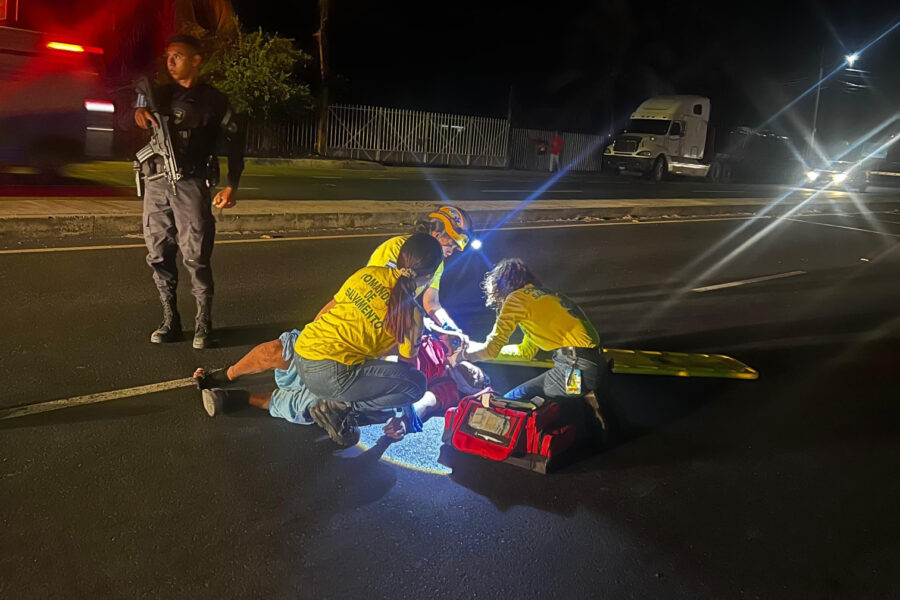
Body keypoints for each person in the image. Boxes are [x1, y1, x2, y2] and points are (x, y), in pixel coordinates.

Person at [196, 234, 444, 447]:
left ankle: (224, 383)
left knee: (282, 351)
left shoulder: (368, 274)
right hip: (331, 374)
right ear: (430, 276)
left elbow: (327, 310)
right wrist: (407, 406)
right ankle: (338, 407)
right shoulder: (412, 315)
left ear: (400, 257)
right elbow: (407, 368)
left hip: (306, 348)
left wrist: (313, 337)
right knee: (416, 385)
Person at [134, 33, 244, 349]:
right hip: (156, 182)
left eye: (178, 56)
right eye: (168, 56)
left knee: (196, 255)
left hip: (191, 182)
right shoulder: (160, 94)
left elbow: (236, 142)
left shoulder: (214, 100)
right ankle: (170, 320)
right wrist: (138, 112)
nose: (170, 62)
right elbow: (134, 110)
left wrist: (232, 184)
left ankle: (202, 322)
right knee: (158, 253)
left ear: (196, 60)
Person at [461, 258, 606, 401]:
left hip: (575, 367)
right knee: (546, 402)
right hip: (591, 365)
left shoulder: (516, 298)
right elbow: (525, 352)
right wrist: (482, 348)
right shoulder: (544, 297)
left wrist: (463, 355)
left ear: (500, 287)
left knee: (511, 400)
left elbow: (491, 350)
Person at [315, 205, 475, 332]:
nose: (451, 252)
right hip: (360, 321)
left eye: (455, 248)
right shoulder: (397, 247)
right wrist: (413, 323)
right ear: (436, 234)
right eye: (450, 244)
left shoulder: (437, 263)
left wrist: (450, 328)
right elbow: (373, 294)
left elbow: (431, 302)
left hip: (389, 323)